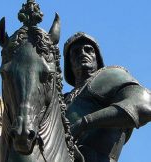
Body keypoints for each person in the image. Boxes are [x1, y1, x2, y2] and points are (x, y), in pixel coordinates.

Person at [63, 32, 151, 162]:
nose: (82, 53)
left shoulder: (110, 77)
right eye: (76, 52)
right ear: (68, 64)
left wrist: (84, 123)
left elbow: (144, 105)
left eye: (89, 50)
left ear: (97, 58)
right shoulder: (62, 100)